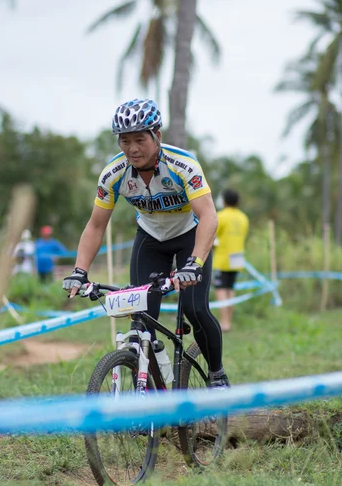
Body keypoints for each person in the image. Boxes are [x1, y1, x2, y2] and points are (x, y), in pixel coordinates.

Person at [62, 98, 229, 389]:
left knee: (195, 309)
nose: (132, 149)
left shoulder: (183, 165)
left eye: (140, 139)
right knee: (141, 320)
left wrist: (195, 263)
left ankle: (216, 374)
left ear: (157, 136)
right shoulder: (114, 174)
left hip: (189, 236)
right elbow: (96, 225)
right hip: (150, 240)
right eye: (124, 141)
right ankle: (150, 392)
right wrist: (80, 270)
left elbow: (209, 217)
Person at [213, 188, 249, 332]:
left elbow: (213, 235)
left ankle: (225, 323)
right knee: (230, 290)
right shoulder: (243, 217)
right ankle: (228, 321)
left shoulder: (221, 216)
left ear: (224, 200)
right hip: (237, 257)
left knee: (221, 290)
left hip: (223, 258)